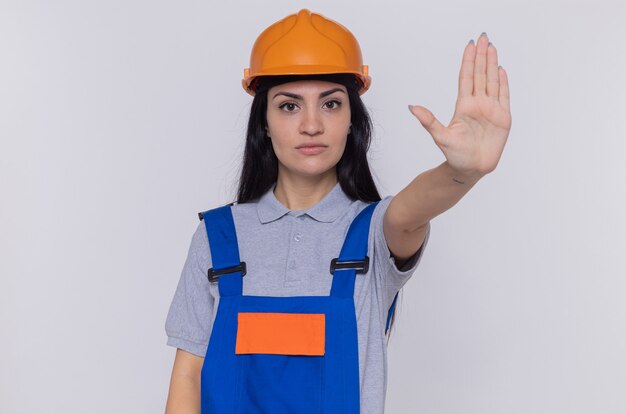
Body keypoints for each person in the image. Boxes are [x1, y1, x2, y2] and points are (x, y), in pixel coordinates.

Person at [164, 8, 511, 414]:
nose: (312, 124)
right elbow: (188, 375)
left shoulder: (373, 235)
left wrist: (460, 172)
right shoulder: (218, 236)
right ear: (264, 123)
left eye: (330, 104)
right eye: (289, 106)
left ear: (351, 120)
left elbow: (414, 207)